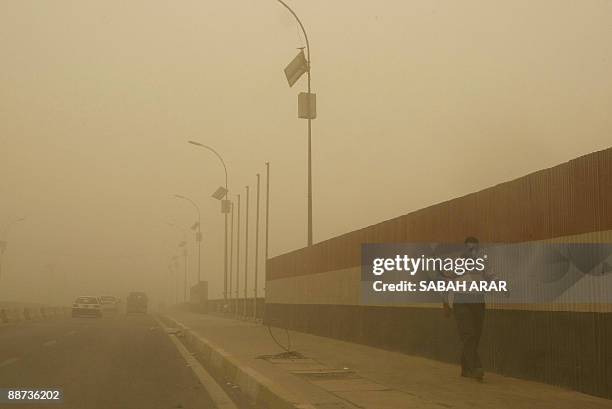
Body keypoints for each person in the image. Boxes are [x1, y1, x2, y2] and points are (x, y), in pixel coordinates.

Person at [443, 236, 492, 381]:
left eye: (475, 248)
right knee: (468, 334)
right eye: (469, 248)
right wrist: (445, 303)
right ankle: (476, 367)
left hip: (478, 302)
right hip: (461, 302)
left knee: (475, 336)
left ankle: (466, 368)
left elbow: (490, 278)